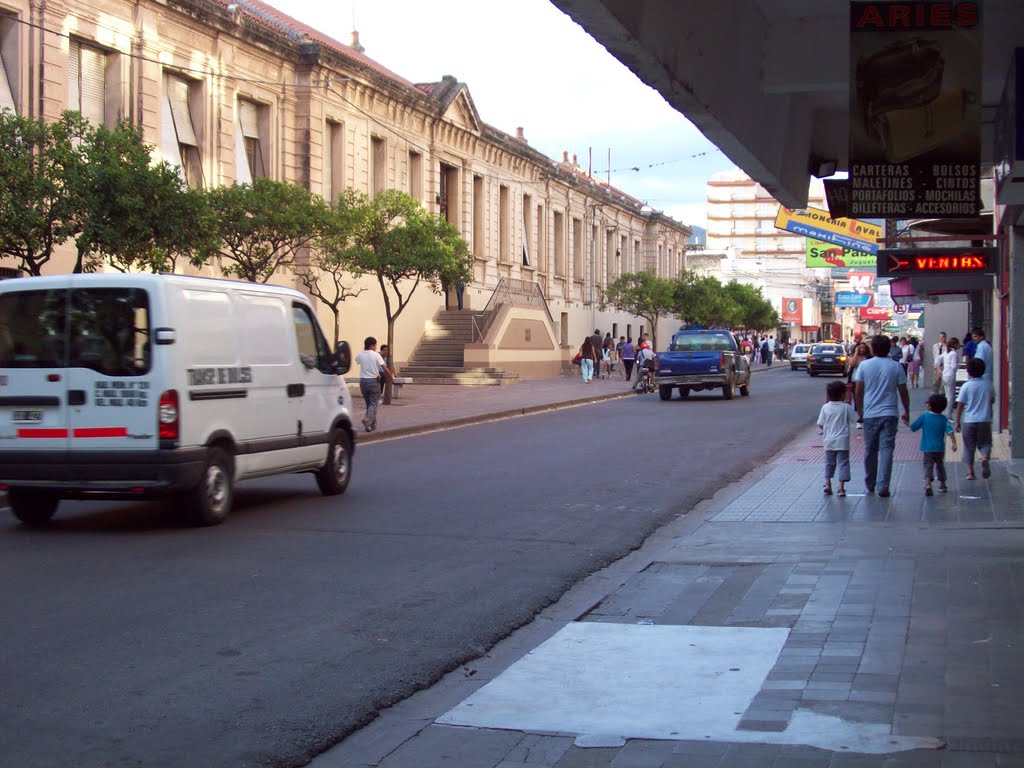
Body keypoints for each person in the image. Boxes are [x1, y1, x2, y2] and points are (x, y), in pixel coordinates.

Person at [853, 334, 910, 498]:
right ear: (888, 348)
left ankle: (870, 484)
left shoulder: (864, 366)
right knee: (887, 449)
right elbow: (903, 392)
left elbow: (858, 391)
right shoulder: (896, 366)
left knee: (870, 450)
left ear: (873, 348)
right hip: (890, 413)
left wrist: (860, 411)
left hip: (870, 414)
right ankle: (883, 485)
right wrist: (906, 410)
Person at [955, 357, 995, 481]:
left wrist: (957, 421)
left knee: (969, 446)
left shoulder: (966, 386)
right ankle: (984, 458)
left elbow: (960, 405)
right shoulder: (988, 385)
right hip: (985, 420)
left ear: (968, 371)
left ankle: (970, 473)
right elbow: (992, 400)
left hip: (969, 420)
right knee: (986, 443)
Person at [910, 394, 957, 496]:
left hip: (927, 448)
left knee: (928, 465)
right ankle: (942, 484)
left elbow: (913, 427)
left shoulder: (924, 417)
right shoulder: (944, 419)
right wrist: (954, 443)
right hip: (940, 448)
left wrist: (906, 422)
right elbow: (950, 431)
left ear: (930, 406)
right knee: (940, 465)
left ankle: (927, 484)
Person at [817, 380, 858, 497]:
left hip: (829, 440)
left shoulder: (825, 407)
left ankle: (827, 484)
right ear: (842, 394)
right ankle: (841, 487)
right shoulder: (846, 407)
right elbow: (855, 420)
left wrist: (826, 430)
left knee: (829, 463)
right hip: (843, 441)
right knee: (843, 463)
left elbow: (820, 423)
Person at [355, 336, 393, 432]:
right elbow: (384, 368)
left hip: (363, 381)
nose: (376, 347)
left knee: (369, 404)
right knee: (374, 404)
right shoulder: (376, 355)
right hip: (373, 381)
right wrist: (390, 377)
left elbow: (357, 361)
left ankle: (371, 426)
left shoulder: (360, 355)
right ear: (372, 345)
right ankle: (367, 420)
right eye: (375, 345)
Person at [846, 341, 872, 424]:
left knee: (866, 397)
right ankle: (859, 416)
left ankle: (865, 414)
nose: (862, 349)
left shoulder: (868, 357)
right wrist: (856, 352)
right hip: (855, 379)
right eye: (860, 348)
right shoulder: (854, 356)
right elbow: (852, 363)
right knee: (857, 397)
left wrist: (869, 346)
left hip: (867, 379)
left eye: (864, 348)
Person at [941, 337, 961, 419]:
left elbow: (937, 360)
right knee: (951, 396)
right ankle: (948, 415)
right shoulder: (953, 354)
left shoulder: (946, 352)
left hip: (945, 374)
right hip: (951, 375)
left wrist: (939, 370)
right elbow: (953, 367)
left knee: (947, 395)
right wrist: (958, 367)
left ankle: (946, 412)